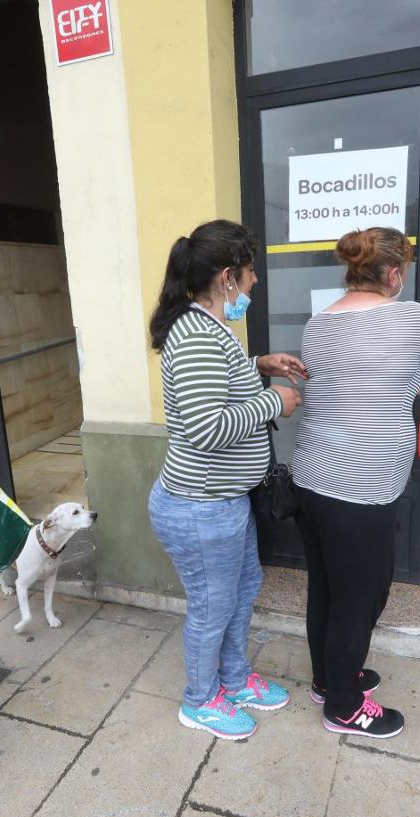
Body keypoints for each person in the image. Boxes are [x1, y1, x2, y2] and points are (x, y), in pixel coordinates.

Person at [292, 227, 420, 738]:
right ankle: (343, 706)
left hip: (312, 478)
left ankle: (328, 679)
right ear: (395, 274)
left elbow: (347, 382)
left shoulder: (318, 324)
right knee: (361, 599)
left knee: (327, 591)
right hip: (361, 488)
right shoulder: (411, 317)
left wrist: (405, 379)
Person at [147, 219, 306, 741]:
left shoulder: (211, 327)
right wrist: (273, 399)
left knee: (243, 589)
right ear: (226, 277)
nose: (256, 280)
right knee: (213, 604)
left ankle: (234, 681)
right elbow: (204, 427)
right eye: (250, 270)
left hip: (222, 501)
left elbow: (217, 387)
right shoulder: (195, 334)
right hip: (199, 507)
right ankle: (200, 700)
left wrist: (258, 363)